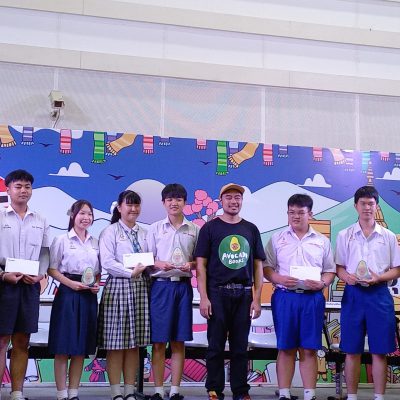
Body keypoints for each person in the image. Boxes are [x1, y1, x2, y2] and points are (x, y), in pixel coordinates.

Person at [195, 183, 265, 400]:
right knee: (215, 346)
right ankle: (214, 389)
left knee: (240, 347)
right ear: (221, 201)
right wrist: (204, 297)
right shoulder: (210, 228)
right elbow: (201, 265)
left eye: (237, 197)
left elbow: (258, 266)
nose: (234, 201)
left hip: (244, 294)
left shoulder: (251, 229)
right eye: (229, 197)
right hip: (217, 294)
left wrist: (257, 298)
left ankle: (241, 391)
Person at [264, 194, 336, 400]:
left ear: (310, 214)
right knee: (285, 347)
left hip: (312, 299)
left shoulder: (322, 241)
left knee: (309, 348)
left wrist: (322, 283)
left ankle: (309, 394)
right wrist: (278, 278)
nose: (295, 216)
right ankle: (284, 393)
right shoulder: (277, 238)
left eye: (300, 212)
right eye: (291, 212)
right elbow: (267, 268)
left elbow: (330, 271)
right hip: (285, 297)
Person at [335, 186, 400, 400]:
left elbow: (397, 269)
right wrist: (347, 277)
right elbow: (339, 267)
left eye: (371, 203)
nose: (367, 207)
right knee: (351, 350)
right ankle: (352, 396)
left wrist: (379, 277)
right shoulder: (344, 235)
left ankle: (379, 396)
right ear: (355, 206)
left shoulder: (388, 236)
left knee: (379, 350)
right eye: (362, 203)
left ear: (377, 206)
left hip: (379, 295)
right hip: (353, 295)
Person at [0, 169, 50, 400]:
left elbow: (45, 253)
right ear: (8, 189)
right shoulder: (1, 215)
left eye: (27, 186)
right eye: (18, 186)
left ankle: (17, 392)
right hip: (4, 283)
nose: (23, 190)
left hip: (29, 285)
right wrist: (3, 275)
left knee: (22, 341)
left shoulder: (40, 219)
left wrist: (39, 275)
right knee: (1, 340)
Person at [146, 183, 199, 400]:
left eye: (178, 199)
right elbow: (145, 259)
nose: (174, 203)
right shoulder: (155, 229)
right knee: (159, 341)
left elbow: (199, 261)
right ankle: (158, 390)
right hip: (160, 287)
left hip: (183, 287)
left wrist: (191, 265)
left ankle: (175, 389)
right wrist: (158, 263)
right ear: (163, 203)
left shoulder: (194, 229)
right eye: (169, 199)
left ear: (185, 202)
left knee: (179, 340)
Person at [98, 190, 150, 400]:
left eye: (137, 205)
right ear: (119, 207)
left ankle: (129, 390)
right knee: (116, 344)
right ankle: (116, 392)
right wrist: (130, 273)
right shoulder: (110, 232)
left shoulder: (145, 232)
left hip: (140, 288)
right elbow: (107, 262)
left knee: (134, 344)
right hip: (118, 288)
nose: (133, 209)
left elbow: (151, 258)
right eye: (129, 205)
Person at [47, 200, 101, 400]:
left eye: (89, 214)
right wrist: (71, 284)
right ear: (73, 215)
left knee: (81, 347)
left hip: (88, 296)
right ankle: (62, 393)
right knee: (63, 345)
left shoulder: (95, 242)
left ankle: (74, 392)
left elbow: (97, 271)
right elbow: (52, 269)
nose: (86, 218)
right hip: (68, 294)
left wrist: (96, 284)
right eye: (82, 213)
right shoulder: (61, 240)